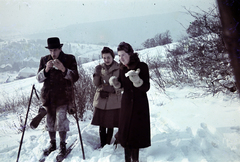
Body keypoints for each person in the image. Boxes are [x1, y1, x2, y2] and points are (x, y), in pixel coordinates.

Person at [36, 37, 79, 160]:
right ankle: (53, 143)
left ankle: (62, 145)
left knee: (61, 120)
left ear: (60, 48)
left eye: (55, 50)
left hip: (64, 96)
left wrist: (63, 69)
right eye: (51, 50)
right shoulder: (44, 60)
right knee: (50, 122)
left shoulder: (69, 59)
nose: (53, 53)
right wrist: (46, 69)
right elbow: (38, 79)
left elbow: (75, 77)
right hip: (48, 97)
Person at [109, 42, 151, 162]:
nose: (121, 58)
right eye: (119, 56)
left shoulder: (142, 66)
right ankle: (127, 160)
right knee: (126, 133)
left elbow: (146, 87)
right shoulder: (122, 69)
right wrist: (117, 84)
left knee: (136, 134)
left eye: (123, 55)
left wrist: (138, 81)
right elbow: (123, 85)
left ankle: (135, 160)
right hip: (126, 105)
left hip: (139, 105)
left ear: (130, 54)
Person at [91, 47, 122, 148]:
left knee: (110, 123)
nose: (106, 60)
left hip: (114, 100)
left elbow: (122, 85)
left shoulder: (119, 68)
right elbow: (96, 84)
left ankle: (107, 144)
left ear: (113, 57)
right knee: (102, 123)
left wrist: (114, 90)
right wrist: (96, 74)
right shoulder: (100, 68)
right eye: (104, 58)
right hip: (101, 99)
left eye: (108, 57)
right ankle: (102, 144)